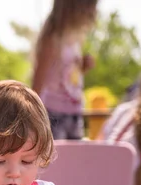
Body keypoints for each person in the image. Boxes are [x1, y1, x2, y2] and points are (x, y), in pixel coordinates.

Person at [32, 0, 99, 140]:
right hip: (53, 113)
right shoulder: (52, 38)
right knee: (56, 159)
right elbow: (39, 76)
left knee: (75, 159)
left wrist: (82, 67)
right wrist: (31, 111)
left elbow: (66, 74)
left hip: (74, 110)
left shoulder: (75, 39)